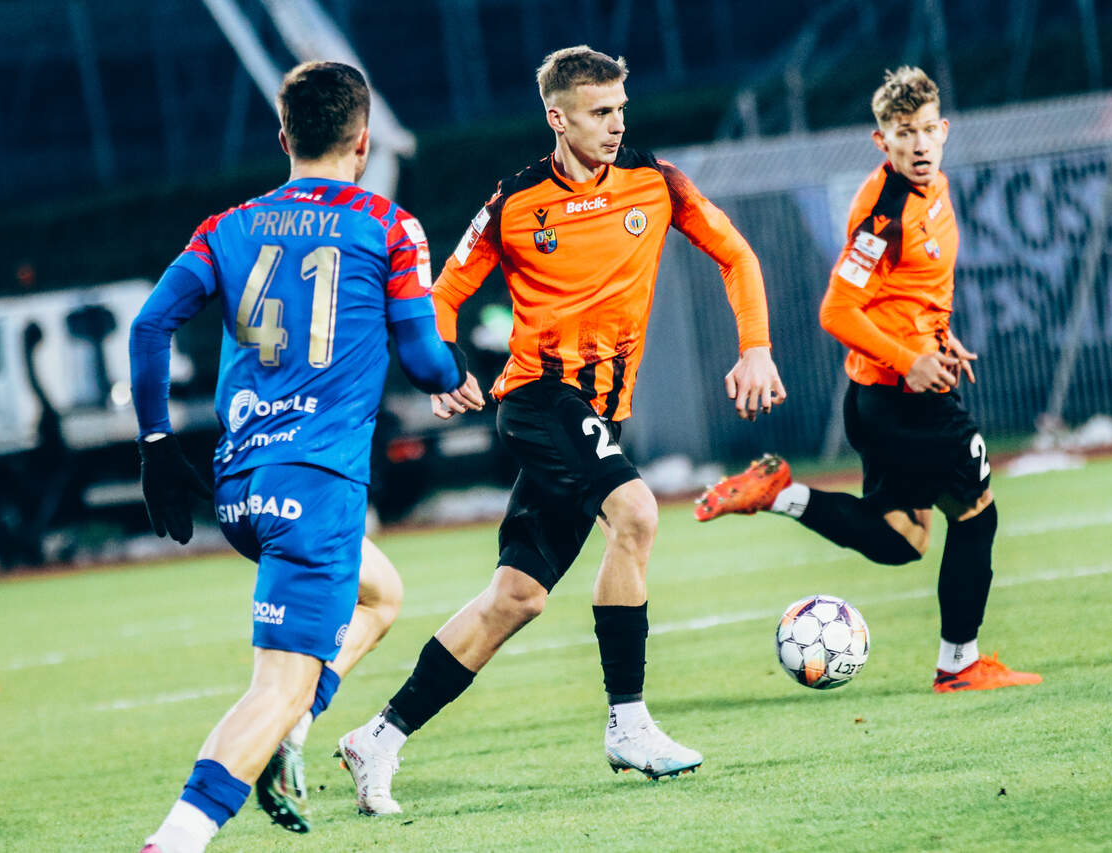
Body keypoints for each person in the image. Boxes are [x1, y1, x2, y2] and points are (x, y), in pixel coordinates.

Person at [332, 44, 786, 815]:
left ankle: (378, 736)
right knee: (636, 513)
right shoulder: (514, 202)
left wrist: (757, 346)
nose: (616, 125)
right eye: (600, 112)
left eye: (620, 110)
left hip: (599, 418)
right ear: (558, 118)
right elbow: (443, 295)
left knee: (516, 597)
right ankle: (628, 722)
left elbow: (735, 254)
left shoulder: (657, 182)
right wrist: (444, 367)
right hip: (540, 400)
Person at [131, 61, 482, 853]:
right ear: (364, 142)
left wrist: (155, 444)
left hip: (240, 486)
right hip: (315, 485)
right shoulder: (387, 224)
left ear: (284, 136)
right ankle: (176, 838)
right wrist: (455, 372)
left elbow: (150, 325)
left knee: (381, 595)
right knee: (277, 684)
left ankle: (291, 733)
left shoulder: (228, 225)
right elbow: (425, 360)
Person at [695, 66, 1041, 694]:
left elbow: (907, 291)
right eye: (904, 133)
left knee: (904, 538)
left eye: (928, 129)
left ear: (945, 129)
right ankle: (960, 666)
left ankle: (778, 494)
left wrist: (937, 334)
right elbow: (837, 310)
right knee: (976, 515)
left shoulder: (933, 187)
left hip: (884, 395)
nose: (919, 144)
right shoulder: (885, 214)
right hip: (906, 399)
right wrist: (911, 359)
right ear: (882, 141)